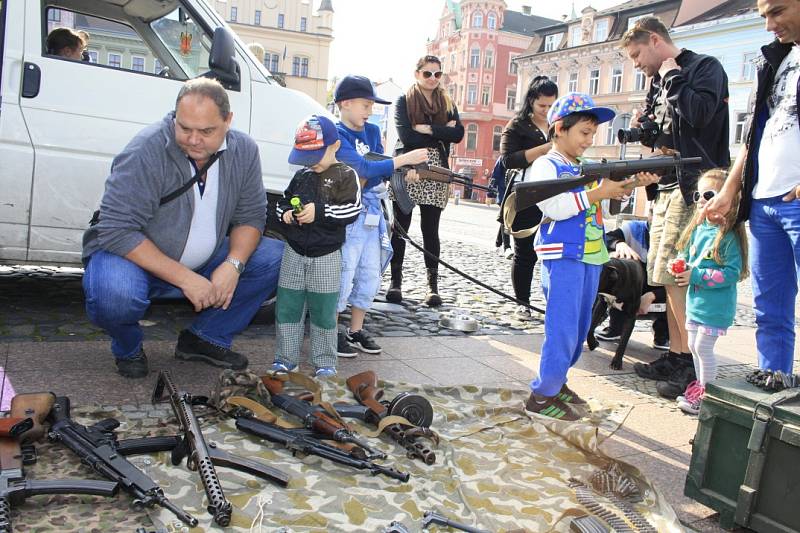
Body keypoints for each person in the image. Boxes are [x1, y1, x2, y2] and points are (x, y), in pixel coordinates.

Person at [82, 78, 284, 378]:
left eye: (206, 131)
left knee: (276, 257)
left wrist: (233, 264)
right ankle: (127, 346)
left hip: (203, 258)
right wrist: (186, 279)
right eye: (185, 128)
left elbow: (251, 216)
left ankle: (205, 338)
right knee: (114, 295)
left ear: (228, 121)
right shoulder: (146, 149)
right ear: (174, 116)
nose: (193, 139)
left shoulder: (244, 150)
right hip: (130, 258)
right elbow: (116, 230)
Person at [523, 92, 659, 420]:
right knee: (563, 328)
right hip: (564, 255)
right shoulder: (546, 164)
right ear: (559, 129)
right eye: (584, 133)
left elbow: (609, 206)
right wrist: (599, 191)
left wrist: (630, 186)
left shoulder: (584, 167)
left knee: (581, 326)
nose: (589, 140)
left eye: (592, 134)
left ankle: (556, 383)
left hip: (590, 256)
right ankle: (542, 395)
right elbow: (553, 207)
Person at [621, 16, 731, 385]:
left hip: (694, 187)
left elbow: (698, 114)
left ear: (655, 40)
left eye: (637, 54)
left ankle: (690, 365)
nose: (636, 64)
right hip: (667, 187)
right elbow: (661, 134)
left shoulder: (703, 68)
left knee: (683, 275)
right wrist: (645, 126)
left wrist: (671, 78)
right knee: (667, 276)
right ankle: (677, 354)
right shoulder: (658, 82)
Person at [706, 0, 800, 375]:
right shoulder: (776, 60)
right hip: (764, 200)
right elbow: (755, 137)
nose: (768, 25)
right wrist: (731, 189)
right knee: (769, 307)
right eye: (763, 15)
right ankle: (774, 381)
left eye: (777, 11)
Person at [331, 75, 427, 358]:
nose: (369, 111)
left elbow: (379, 167)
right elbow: (360, 166)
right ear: (345, 103)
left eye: (371, 105)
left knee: (370, 273)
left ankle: (356, 330)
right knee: (344, 273)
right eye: (365, 104)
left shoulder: (371, 131)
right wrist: (402, 160)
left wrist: (401, 171)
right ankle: (331, 332)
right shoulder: (337, 134)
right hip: (348, 214)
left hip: (371, 212)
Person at [271, 115, 361, 379]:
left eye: (316, 156)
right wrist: (286, 213)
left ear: (334, 146)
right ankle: (285, 359)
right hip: (294, 251)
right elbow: (282, 202)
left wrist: (320, 212)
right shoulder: (302, 176)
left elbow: (352, 209)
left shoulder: (346, 175)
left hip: (327, 254)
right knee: (287, 307)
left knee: (323, 310)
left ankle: (324, 361)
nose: (311, 163)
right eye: (306, 157)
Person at [387, 54, 465, 307]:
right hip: (408, 165)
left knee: (431, 230)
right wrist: (442, 132)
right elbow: (407, 136)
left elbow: (459, 134)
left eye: (437, 74)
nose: (433, 78)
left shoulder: (447, 100)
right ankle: (395, 282)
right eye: (427, 73)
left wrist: (428, 129)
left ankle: (432, 287)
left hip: (436, 169)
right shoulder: (404, 100)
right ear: (417, 73)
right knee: (400, 228)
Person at [673, 170, 748, 415]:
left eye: (708, 194)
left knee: (703, 348)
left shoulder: (727, 236)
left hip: (715, 307)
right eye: (698, 195)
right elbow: (688, 256)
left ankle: (707, 394)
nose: (701, 200)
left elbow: (731, 273)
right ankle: (699, 386)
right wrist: (679, 264)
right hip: (696, 303)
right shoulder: (699, 229)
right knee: (694, 346)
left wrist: (695, 275)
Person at [500, 75, 558, 321]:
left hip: (555, 192)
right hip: (525, 192)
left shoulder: (560, 122)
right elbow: (508, 159)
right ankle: (522, 302)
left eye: (550, 105)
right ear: (531, 101)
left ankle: (552, 302)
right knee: (525, 252)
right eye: (541, 105)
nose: (546, 111)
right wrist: (544, 149)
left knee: (553, 251)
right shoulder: (518, 125)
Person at [595, 219, 670, 350]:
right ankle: (615, 327)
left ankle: (663, 333)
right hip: (631, 288)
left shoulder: (678, 235)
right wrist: (618, 243)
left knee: (677, 296)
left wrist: (652, 295)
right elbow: (606, 237)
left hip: (661, 290)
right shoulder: (634, 229)